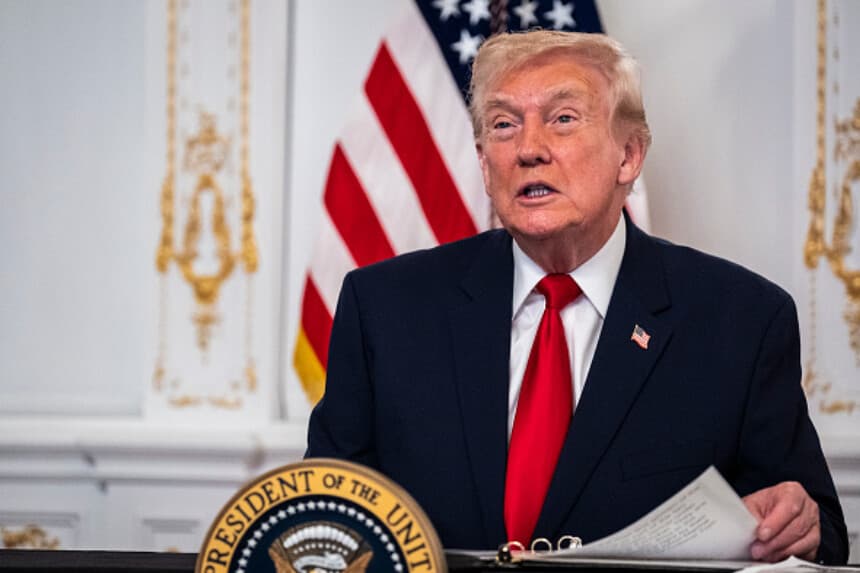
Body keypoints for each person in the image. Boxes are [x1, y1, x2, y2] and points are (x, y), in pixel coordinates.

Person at [306, 30, 848, 564]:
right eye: (503, 125)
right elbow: (326, 518)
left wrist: (796, 524)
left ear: (629, 156)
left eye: (563, 119)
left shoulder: (741, 321)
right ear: (482, 161)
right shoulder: (384, 308)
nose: (528, 149)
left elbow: (819, 530)